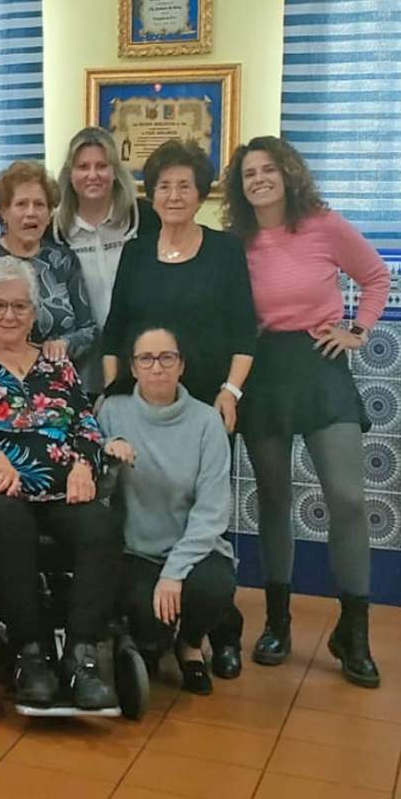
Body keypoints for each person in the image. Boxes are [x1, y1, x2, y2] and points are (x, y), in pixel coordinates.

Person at [223, 136, 391, 688]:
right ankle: (277, 623)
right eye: (249, 174)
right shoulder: (235, 241)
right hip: (265, 370)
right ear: (239, 187)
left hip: (320, 366)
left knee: (347, 497)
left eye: (268, 169)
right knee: (273, 499)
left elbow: (375, 276)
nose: (259, 180)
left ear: (289, 173)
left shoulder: (323, 224)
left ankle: (354, 632)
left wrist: (357, 331)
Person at [0, 256, 119, 709]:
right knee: (9, 520)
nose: (10, 316)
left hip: (62, 489)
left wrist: (82, 465)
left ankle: (80, 656)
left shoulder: (58, 366)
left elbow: (88, 426)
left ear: (34, 313)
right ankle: (31, 654)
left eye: (20, 306)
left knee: (100, 525)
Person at [99, 327, 238, 696]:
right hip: (134, 551)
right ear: (133, 367)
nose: (156, 367)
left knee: (214, 588)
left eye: (167, 358)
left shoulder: (207, 422)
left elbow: (212, 512)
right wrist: (107, 448)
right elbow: (87, 459)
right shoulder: (112, 412)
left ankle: (190, 644)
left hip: (193, 551)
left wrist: (174, 573)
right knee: (149, 619)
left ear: (181, 365)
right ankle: (151, 642)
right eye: (146, 359)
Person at [102, 140, 256, 427]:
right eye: (164, 186)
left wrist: (230, 392)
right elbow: (113, 332)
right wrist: (113, 394)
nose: (174, 196)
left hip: (209, 402)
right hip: (140, 402)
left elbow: (245, 333)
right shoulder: (135, 252)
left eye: (184, 186)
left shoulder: (226, 249)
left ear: (199, 195)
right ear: (152, 194)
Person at [0, 160, 96, 375]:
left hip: (55, 380)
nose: (31, 213)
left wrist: (65, 344)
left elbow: (88, 330)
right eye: (22, 204)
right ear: (3, 211)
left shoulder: (63, 259)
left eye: (39, 204)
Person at [52, 127, 159, 392]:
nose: (92, 175)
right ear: (70, 174)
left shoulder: (144, 219)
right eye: (83, 166)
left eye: (102, 166)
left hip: (140, 355)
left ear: (115, 171)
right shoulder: (54, 231)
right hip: (79, 361)